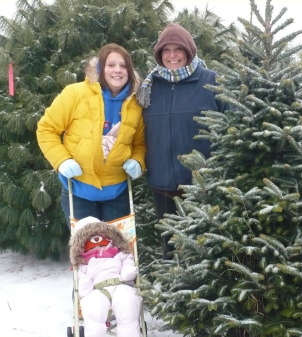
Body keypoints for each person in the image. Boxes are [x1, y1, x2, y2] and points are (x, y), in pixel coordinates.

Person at [136, 23, 228, 259]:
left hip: (203, 185)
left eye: (178, 49)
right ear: (159, 55)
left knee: (205, 249)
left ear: (189, 52)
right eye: (166, 50)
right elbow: (132, 124)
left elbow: (233, 124)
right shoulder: (150, 86)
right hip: (162, 184)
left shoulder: (211, 81)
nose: (172, 55)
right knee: (170, 248)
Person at [36, 43, 145, 225]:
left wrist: (138, 161)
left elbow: (140, 143)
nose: (117, 70)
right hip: (79, 191)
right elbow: (47, 129)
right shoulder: (75, 93)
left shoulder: (135, 104)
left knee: (118, 250)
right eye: (111, 65)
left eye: (123, 65)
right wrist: (61, 160)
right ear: (101, 68)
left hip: (118, 192)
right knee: (86, 251)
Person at [69, 216, 142, 337]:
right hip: (97, 290)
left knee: (128, 303)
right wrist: (84, 284)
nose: (98, 247)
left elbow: (128, 261)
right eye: (92, 246)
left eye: (101, 244)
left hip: (120, 285)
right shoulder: (83, 263)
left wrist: (128, 271)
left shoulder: (118, 254)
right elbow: (82, 282)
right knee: (93, 310)